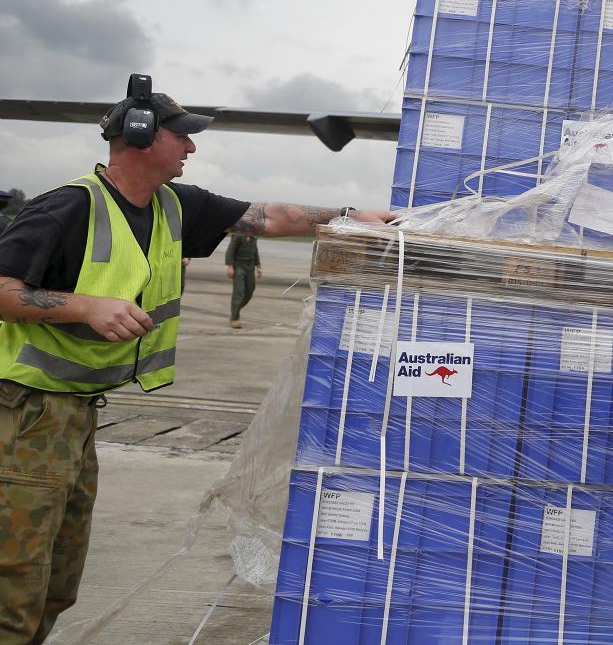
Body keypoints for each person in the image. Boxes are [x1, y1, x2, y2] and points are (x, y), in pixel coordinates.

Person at [0, 78, 394, 644]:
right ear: (140, 136)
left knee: (56, 580)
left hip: (78, 414)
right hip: (27, 413)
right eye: (181, 136)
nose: (191, 147)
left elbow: (267, 217)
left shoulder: (173, 205)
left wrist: (353, 217)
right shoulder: (69, 206)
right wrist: (84, 306)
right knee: (14, 582)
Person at [225, 233, 262, 329]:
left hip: (250, 267)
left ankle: (235, 310)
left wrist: (258, 267)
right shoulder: (238, 236)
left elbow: (255, 252)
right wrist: (230, 266)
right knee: (239, 292)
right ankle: (234, 318)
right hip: (239, 266)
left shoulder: (254, 237)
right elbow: (230, 250)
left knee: (250, 290)